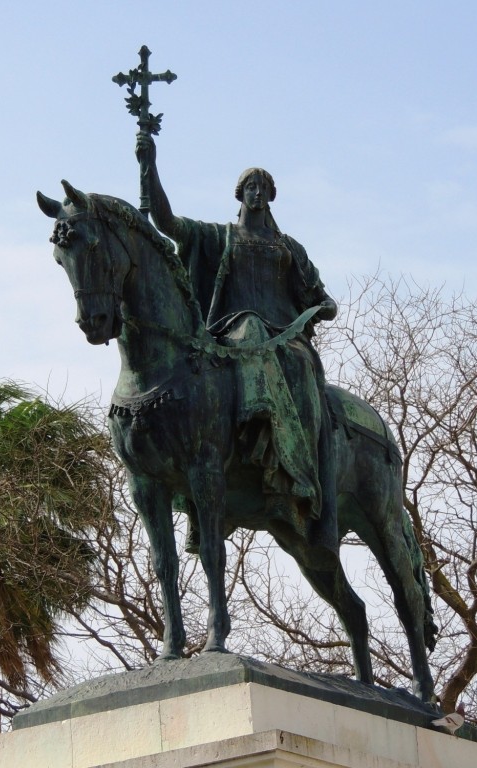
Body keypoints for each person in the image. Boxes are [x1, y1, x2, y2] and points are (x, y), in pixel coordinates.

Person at [136, 134, 339, 557]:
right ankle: (203, 491)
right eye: (251, 186)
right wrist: (149, 165)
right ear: (240, 194)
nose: (258, 193)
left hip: (286, 339)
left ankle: (291, 475)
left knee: (300, 368)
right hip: (229, 335)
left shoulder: (289, 248)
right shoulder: (219, 237)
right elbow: (167, 223)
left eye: (265, 188)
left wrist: (324, 305)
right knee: (230, 350)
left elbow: (319, 294)